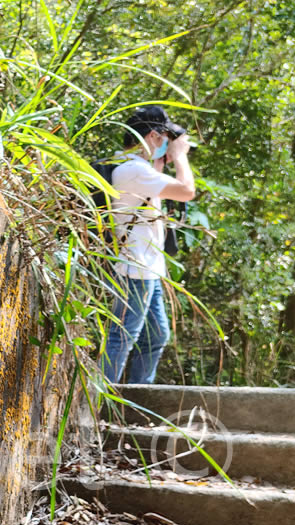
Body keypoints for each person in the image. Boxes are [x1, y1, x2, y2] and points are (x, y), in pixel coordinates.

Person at [100, 105, 197, 384]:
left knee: (156, 336)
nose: (168, 145)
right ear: (154, 136)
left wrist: (162, 161)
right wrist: (179, 157)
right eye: (166, 139)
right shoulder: (132, 170)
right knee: (123, 336)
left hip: (146, 269)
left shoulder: (138, 168)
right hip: (133, 268)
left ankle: (137, 396)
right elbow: (187, 191)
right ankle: (95, 408)